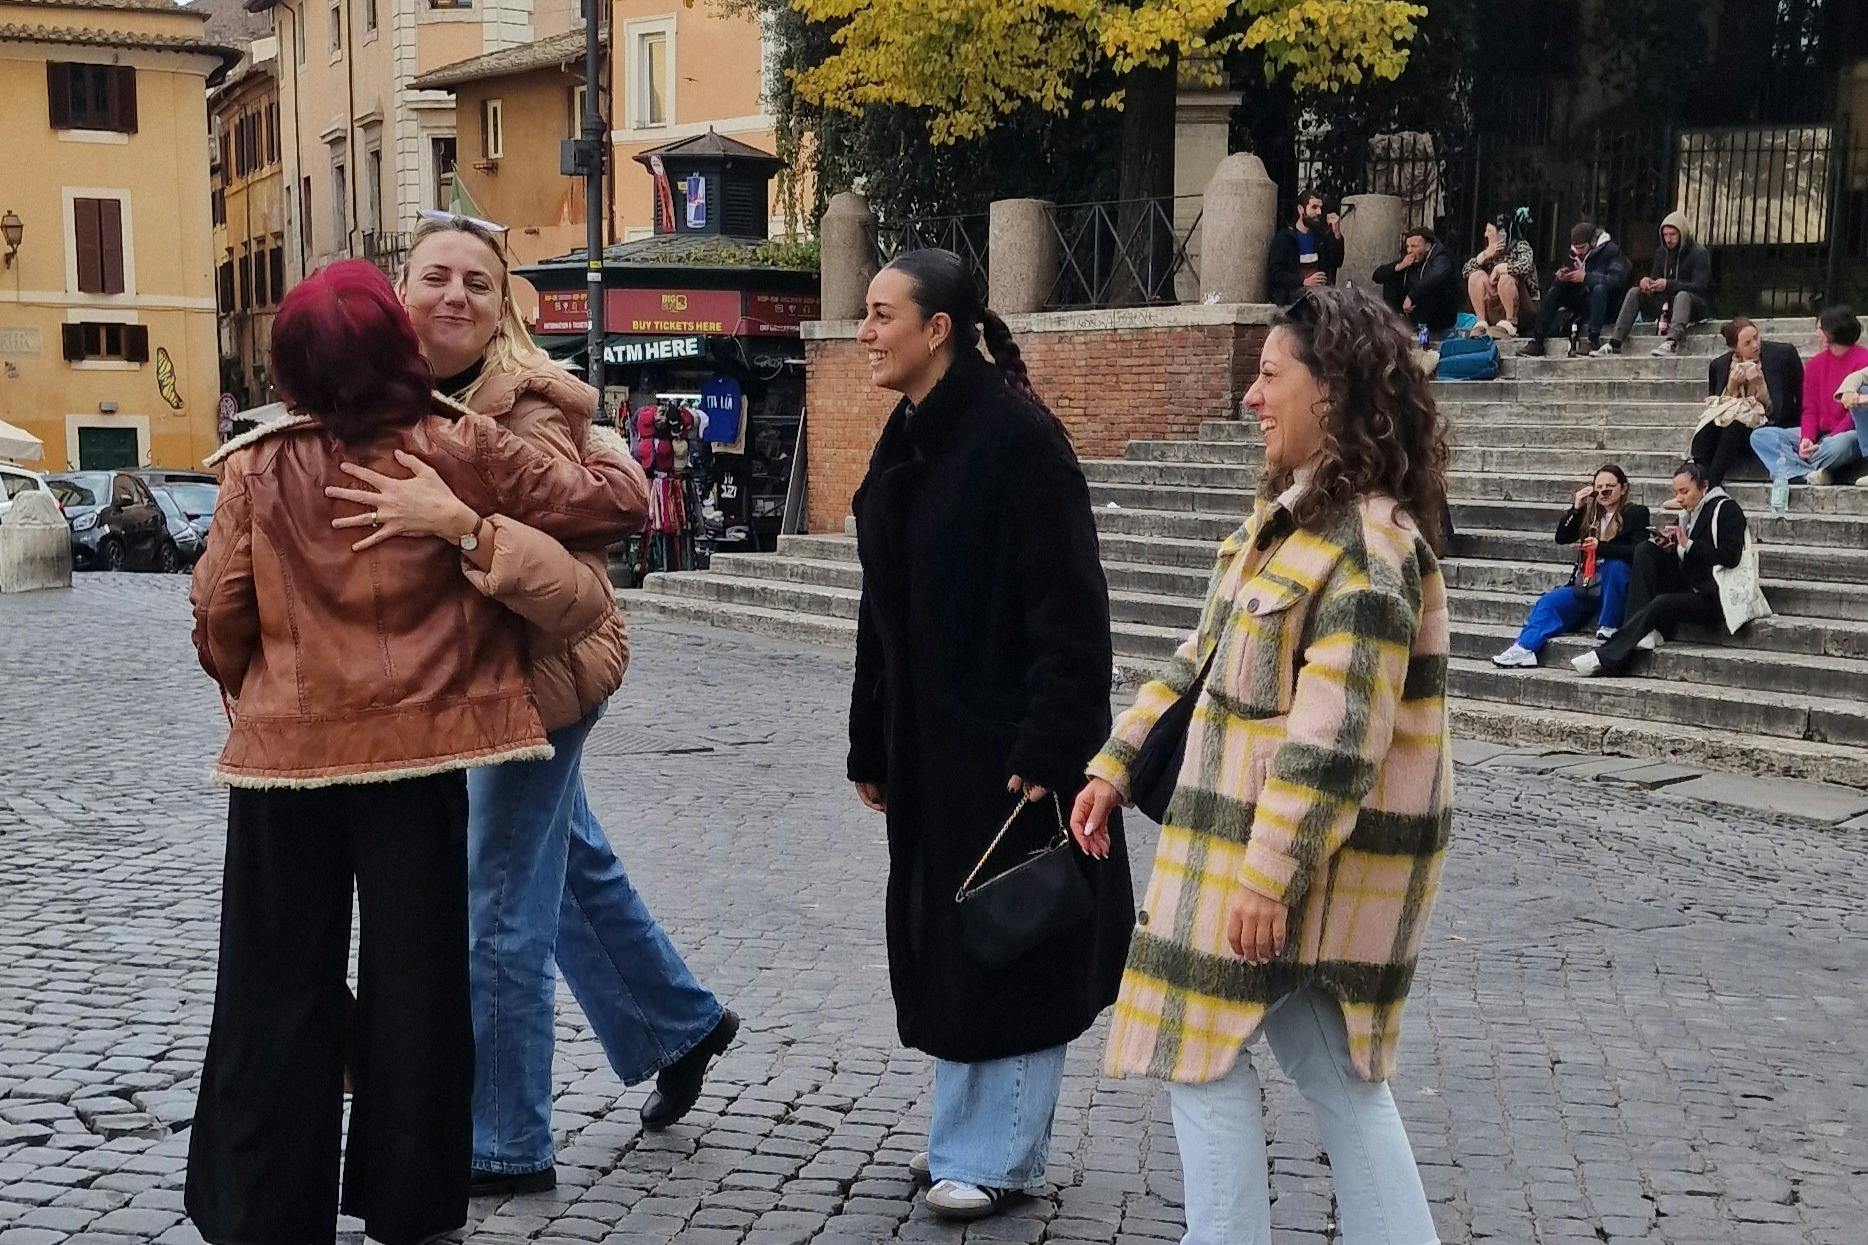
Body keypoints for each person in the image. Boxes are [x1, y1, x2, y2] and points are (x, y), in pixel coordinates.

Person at [183, 260, 645, 1245]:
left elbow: (217, 613)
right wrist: (572, 399)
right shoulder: (455, 444)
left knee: (272, 983)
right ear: (396, 349)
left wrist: (259, 690)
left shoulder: (258, 463)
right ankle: (410, 1197)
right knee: (417, 983)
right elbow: (614, 505)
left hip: (284, 761)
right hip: (422, 749)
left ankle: (264, 1206)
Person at [329, 213, 737, 1198]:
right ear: (402, 289)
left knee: (499, 901)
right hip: (448, 676)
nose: (453, 296)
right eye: (434, 276)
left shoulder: (531, 403)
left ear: (501, 300)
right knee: (563, 860)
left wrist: (462, 515)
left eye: (476, 279)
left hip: (533, 674)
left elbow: (603, 510)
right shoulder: (375, 392)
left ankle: (505, 1142)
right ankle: (677, 1022)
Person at [1070, 284, 1450, 1245]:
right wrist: (1115, 765)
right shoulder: (1285, 529)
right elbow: (1196, 664)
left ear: (1333, 392)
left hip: (1278, 865)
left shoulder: (1364, 544)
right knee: (1331, 1071)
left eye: (1269, 374)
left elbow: (1336, 738)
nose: (1250, 396)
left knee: (1203, 1057)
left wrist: (1270, 877)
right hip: (1252, 854)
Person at [847, 248, 1135, 1221]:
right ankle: (958, 1142)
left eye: (882, 313)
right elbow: (878, 606)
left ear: (937, 330)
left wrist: (1051, 750)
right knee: (957, 939)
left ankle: (1000, 1154)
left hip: (1011, 752)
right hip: (932, 749)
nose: (864, 330)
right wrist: (869, 739)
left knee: (1016, 939)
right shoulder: (908, 433)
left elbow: (1072, 614)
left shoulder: (1017, 441)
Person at [1572, 462, 1746, 677]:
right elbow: (1684, 557)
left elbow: (1731, 557)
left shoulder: (1726, 509)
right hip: (1688, 583)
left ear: (1704, 486)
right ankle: (1639, 632)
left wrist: (1688, 544)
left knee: (1660, 603)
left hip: (1712, 595)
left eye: (1684, 491)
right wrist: (1671, 546)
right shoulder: (1687, 514)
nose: (1679, 498)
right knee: (1646, 549)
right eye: (1676, 492)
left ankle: (1605, 656)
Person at [1492, 465, 1650, 667]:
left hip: (1617, 586)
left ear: (1624, 488)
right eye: (1599, 487)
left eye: (1610, 487)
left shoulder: (1634, 513)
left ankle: (1609, 626)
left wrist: (1600, 548)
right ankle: (1524, 648)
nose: (1604, 492)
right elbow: (1562, 537)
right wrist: (1576, 507)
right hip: (1587, 583)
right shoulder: (1590, 516)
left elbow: (1638, 550)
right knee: (1548, 602)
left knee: (1615, 567)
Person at [1752, 305, 1868, 486]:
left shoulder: (1863, 360)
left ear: (1833, 331)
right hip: (1819, 433)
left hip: (1846, 434)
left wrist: (1829, 439)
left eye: (1820, 328)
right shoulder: (1815, 364)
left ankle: (1793, 467)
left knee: (1837, 446)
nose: (1817, 333)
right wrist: (1807, 438)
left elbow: (1856, 414)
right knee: (1761, 436)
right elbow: (1809, 409)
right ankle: (1807, 473)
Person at [1693, 316, 1803, 486]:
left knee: (1734, 426)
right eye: (1747, 343)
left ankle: (1711, 484)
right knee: (1708, 428)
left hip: (1769, 426)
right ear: (1735, 348)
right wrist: (1732, 386)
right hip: (1733, 426)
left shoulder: (1783, 354)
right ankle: (1696, 479)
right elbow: (1718, 411)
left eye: (1756, 337)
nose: (1755, 345)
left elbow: (1782, 408)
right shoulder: (1720, 365)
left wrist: (1759, 383)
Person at [1598, 211, 1712, 357]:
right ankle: (1615, 342)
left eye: (1673, 234)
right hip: (1666, 304)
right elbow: (1656, 278)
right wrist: (1648, 284)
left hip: (1692, 305)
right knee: (1635, 292)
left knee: (1682, 296)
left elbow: (1700, 286)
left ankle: (1671, 341)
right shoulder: (1661, 253)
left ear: (1682, 233)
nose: (1669, 239)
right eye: (1665, 235)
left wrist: (1668, 284)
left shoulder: (1699, 253)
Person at [1522, 222, 1631, 358]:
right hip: (1584, 301)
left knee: (1599, 288)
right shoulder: (1574, 253)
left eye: (1582, 248)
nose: (1578, 252)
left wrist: (1586, 277)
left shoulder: (1611, 251)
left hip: (1607, 305)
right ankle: (1537, 340)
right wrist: (1562, 276)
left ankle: (1593, 341)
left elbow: (1616, 280)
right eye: (1576, 248)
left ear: (1592, 241)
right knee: (1557, 288)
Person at [1462, 211, 1539, 339]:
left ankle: (1510, 324)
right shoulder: (1489, 251)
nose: (1485, 235)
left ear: (1502, 234)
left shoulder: (1521, 247)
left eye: (1489, 231)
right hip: (1494, 306)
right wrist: (1484, 255)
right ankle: (1482, 323)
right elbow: (1465, 271)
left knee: (1506, 278)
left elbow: (1525, 266)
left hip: (1523, 308)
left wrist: (1501, 268)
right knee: (1476, 276)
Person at [1373, 227, 1460, 338]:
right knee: (1391, 277)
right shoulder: (1410, 259)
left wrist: (1411, 296)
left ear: (1427, 246)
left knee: (1432, 287)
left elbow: (1434, 277)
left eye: (1414, 246)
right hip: (1412, 311)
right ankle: (1394, 322)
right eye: (1408, 247)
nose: (1409, 250)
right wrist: (1399, 266)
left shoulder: (1442, 257)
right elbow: (1376, 276)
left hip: (1438, 316)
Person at [1266, 188, 1345, 306]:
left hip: (1320, 295)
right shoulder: (1285, 238)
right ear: (1300, 209)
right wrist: (1303, 281)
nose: (1319, 212)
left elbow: (1337, 262)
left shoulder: (1320, 238)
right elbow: (1275, 275)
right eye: (1314, 207)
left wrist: (1337, 234)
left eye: (1320, 208)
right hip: (1293, 298)